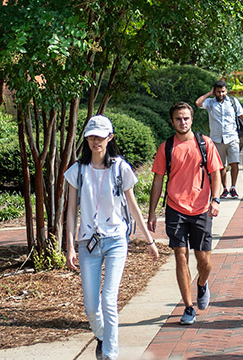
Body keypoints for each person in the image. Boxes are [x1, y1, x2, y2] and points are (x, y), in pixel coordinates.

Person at [65, 115, 159, 360]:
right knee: (91, 306)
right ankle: (102, 335)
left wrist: (149, 241)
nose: (96, 141)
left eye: (101, 136)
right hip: (88, 242)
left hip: (116, 239)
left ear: (110, 138)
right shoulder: (78, 170)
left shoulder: (120, 167)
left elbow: (133, 205)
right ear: (86, 139)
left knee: (108, 299)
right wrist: (70, 247)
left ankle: (109, 355)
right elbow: (71, 211)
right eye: (92, 136)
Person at [148, 102, 223, 326]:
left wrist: (216, 199)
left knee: (204, 261)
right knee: (180, 255)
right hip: (175, 208)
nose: (183, 122)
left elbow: (216, 173)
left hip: (200, 209)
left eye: (186, 118)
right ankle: (188, 307)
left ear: (192, 119)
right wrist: (152, 212)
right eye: (179, 119)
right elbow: (158, 180)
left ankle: (202, 283)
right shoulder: (166, 148)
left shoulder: (204, 144)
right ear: (172, 121)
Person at [196, 80, 243, 200]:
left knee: (234, 162)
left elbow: (242, 116)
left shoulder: (232, 101)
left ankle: (233, 187)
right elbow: (198, 103)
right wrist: (209, 93)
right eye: (218, 92)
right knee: (221, 166)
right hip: (216, 139)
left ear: (226, 91)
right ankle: (225, 188)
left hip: (232, 137)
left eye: (223, 91)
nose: (221, 94)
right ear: (214, 91)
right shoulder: (210, 103)